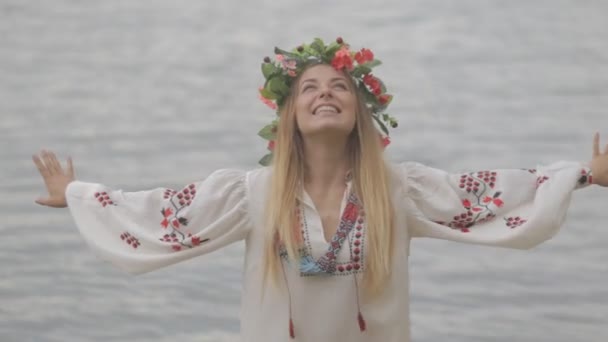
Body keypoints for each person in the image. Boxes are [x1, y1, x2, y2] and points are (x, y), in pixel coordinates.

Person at [33, 37, 608, 342]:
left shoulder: (399, 189)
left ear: (363, 113)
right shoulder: (252, 195)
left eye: (339, 86)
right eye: (308, 87)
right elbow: (164, 216)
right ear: (289, 115)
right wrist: (80, 195)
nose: (324, 93)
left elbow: (489, 197)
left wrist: (581, 174)